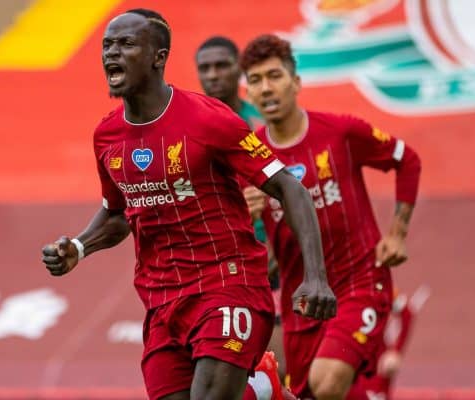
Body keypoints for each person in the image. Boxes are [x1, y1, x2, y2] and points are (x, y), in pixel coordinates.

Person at [41, 10, 336, 400]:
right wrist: (78, 247)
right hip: (161, 302)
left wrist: (315, 276)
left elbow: (290, 188)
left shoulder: (209, 120)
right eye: (107, 45)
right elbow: (117, 213)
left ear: (157, 57)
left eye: (126, 44)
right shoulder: (107, 135)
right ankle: (265, 391)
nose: (112, 53)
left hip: (228, 285)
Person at [239, 34, 421, 400]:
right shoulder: (250, 155)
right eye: (256, 80)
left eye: (275, 76)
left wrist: (397, 234)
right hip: (302, 300)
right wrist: (244, 214)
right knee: (307, 393)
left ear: (296, 82)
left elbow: (407, 159)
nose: (266, 88)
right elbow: (262, 251)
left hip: (360, 282)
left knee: (327, 382)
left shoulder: (341, 132)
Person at [195, 35, 286, 381]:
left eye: (222, 65)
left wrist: (279, 244)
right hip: (214, 264)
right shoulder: (189, 126)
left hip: (269, 263)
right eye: (205, 68)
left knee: (274, 372)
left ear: (240, 71)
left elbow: (294, 184)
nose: (213, 75)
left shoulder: (264, 123)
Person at [355, 285, 430, 400]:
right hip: (348, 355)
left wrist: (395, 352)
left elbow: (406, 313)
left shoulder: (378, 285)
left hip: (375, 360)